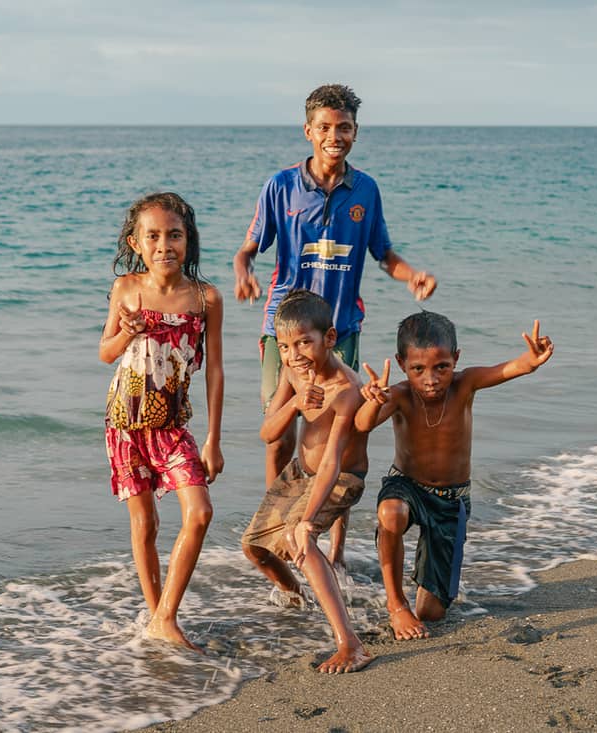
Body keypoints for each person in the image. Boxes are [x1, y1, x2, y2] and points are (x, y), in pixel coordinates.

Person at [232, 83, 437, 567]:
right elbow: (248, 247)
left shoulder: (365, 190)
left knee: (342, 437)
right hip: (284, 332)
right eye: (324, 127)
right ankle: (277, 525)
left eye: (343, 127)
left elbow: (383, 254)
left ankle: (336, 548)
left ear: (355, 133)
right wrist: (243, 269)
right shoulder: (280, 186)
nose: (334, 135)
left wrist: (412, 276)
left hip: (341, 329)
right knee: (280, 429)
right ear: (308, 131)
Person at [355, 312, 554, 640]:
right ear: (403, 364)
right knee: (391, 512)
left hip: (451, 499)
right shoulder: (400, 394)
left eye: (441, 367)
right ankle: (395, 604)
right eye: (418, 369)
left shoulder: (466, 384)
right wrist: (373, 401)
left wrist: (530, 362)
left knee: (432, 614)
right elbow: (362, 425)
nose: (430, 379)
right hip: (406, 486)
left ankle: (424, 583)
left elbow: (508, 369)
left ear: (456, 359)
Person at [99, 192, 224, 651]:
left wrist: (213, 438)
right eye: (152, 236)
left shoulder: (205, 297)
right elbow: (104, 352)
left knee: (201, 512)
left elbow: (214, 369)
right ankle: (158, 619)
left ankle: (166, 615)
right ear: (135, 242)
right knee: (146, 524)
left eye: (174, 234)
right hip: (124, 422)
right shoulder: (126, 290)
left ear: (188, 240)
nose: (163, 245)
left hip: (173, 426)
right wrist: (127, 332)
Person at [241, 289, 373, 674]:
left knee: (301, 539)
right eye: (284, 346)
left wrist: (306, 520)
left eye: (304, 343)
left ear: (329, 339)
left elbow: (333, 461)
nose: (294, 355)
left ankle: (351, 644)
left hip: (341, 477)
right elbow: (268, 433)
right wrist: (295, 404)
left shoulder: (347, 390)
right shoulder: (291, 374)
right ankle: (299, 599)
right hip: (301, 472)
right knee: (254, 548)